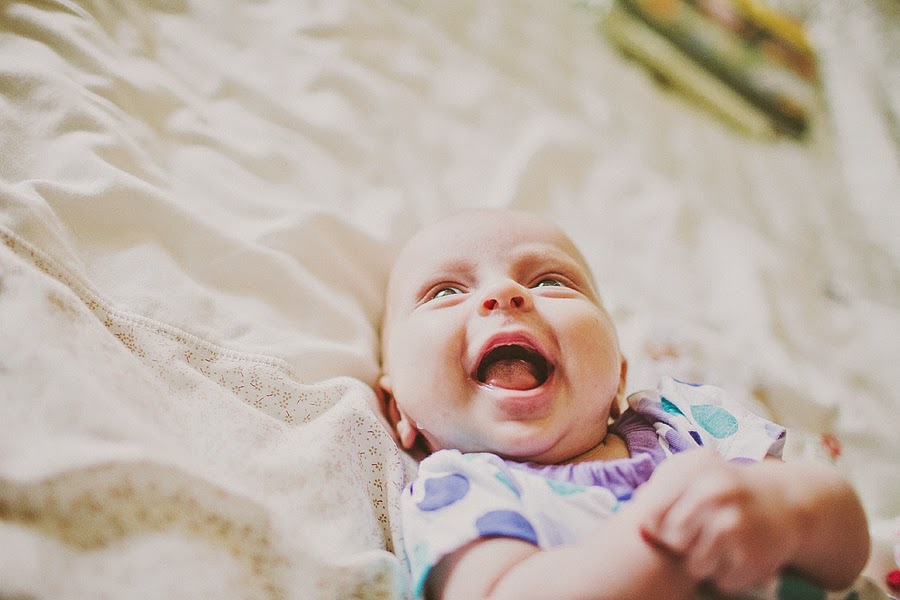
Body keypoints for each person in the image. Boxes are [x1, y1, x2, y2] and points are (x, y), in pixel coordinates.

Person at [376, 208, 871, 600]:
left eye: (550, 282)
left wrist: (784, 512)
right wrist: (659, 540)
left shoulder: (682, 420)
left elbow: (847, 547)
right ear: (400, 411)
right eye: (445, 291)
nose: (505, 293)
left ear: (618, 377)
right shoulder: (458, 492)